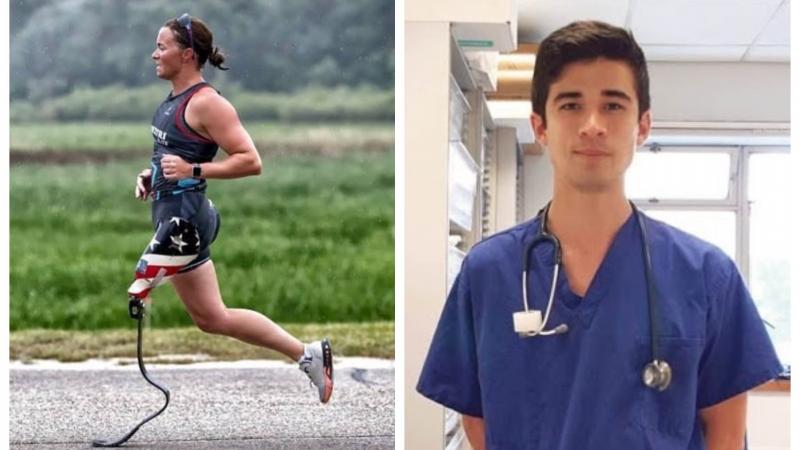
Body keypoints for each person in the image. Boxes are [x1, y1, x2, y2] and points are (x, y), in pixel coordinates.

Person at [416, 20, 781, 449]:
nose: (592, 124)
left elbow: (725, 431)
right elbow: (476, 417)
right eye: (570, 105)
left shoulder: (706, 275)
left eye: (613, 105)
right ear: (540, 126)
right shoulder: (489, 272)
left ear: (642, 126)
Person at [129, 14, 333, 404]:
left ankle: (149, 274)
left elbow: (250, 160)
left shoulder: (208, 104)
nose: (154, 54)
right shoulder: (173, 101)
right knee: (212, 318)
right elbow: (174, 157)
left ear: (187, 54)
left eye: (162, 47)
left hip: (183, 224)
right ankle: (307, 354)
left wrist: (194, 170)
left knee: (141, 283)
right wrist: (151, 175)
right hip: (174, 214)